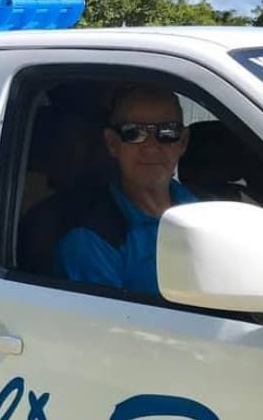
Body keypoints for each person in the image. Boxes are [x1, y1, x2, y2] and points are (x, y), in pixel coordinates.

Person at [54, 85, 196, 296]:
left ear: (182, 142)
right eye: (134, 133)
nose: (151, 147)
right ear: (112, 144)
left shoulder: (202, 210)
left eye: (167, 132)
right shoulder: (91, 241)